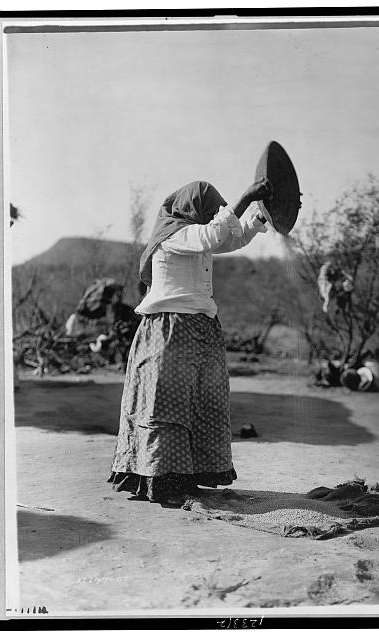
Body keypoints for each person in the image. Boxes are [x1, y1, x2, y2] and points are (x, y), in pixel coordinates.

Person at [108, 179, 272, 505]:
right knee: (167, 406)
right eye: (209, 209)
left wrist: (259, 218)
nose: (214, 214)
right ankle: (160, 481)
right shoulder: (173, 237)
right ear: (192, 209)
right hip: (170, 329)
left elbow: (228, 239)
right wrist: (245, 198)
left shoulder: (196, 240)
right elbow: (213, 234)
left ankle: (189, 476)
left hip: (201, 328)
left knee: (200, 404)